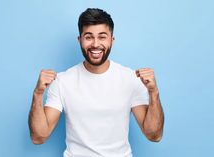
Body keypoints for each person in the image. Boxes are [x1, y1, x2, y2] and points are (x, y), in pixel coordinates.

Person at [28, 8, 164, 157]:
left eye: (102, 37)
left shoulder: (131, 79)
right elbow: (38, 137)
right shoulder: (62, 81)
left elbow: (154, 135)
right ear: (80, 40)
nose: (95, 44)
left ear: (112, 40)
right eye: (88, 37)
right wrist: (38, 94)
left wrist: (153, 92)